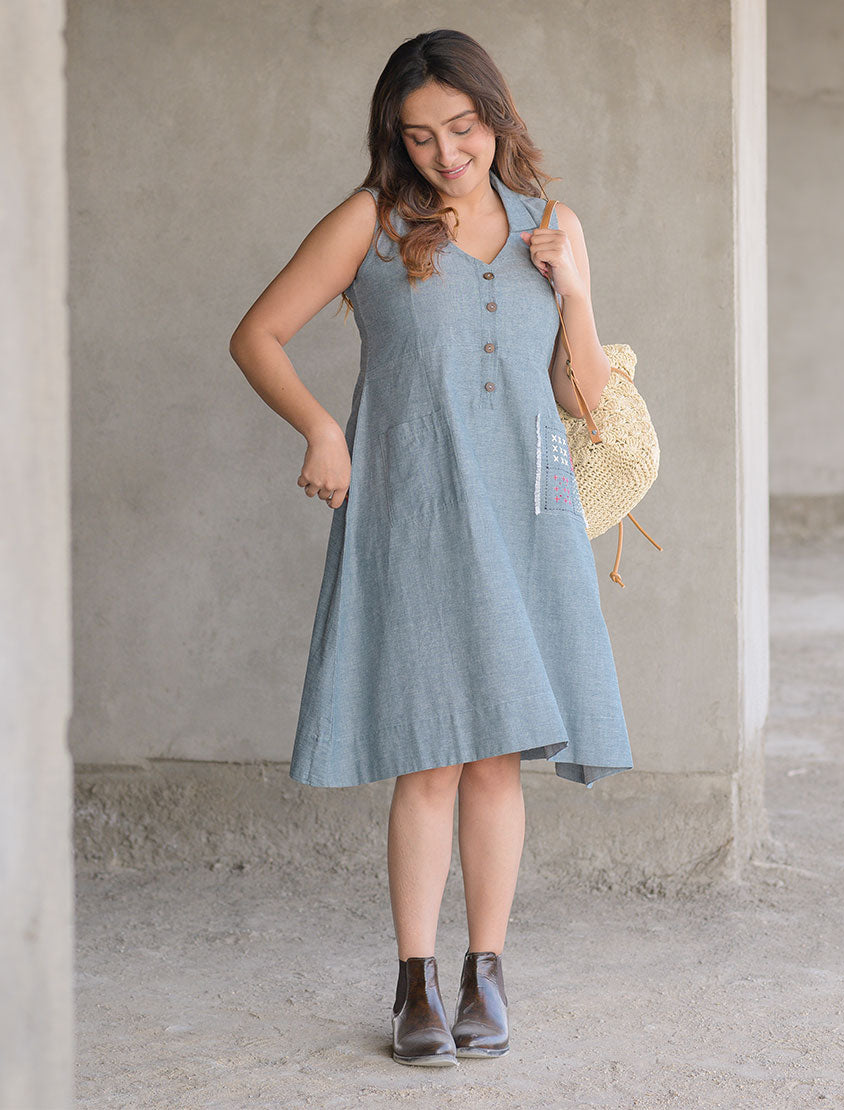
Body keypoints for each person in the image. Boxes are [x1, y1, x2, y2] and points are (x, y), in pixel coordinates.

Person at [229, 28, 633, 1068]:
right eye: (420, 138)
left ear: (493, 116)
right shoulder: (373, 220)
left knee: (497, 761)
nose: (447, 154)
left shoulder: (553, 224)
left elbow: (585, 400)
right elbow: (257, 333)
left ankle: (484, 975)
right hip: (415, 513)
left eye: (461, 128)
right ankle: (414, 983)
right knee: (432, 757)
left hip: (528, 518)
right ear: (396, 144)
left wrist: (576, 288)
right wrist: (324, 429)